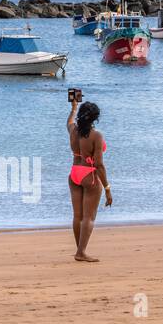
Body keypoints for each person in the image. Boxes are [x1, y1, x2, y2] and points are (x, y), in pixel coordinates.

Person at [67, 93, 112, 262]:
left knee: (77, 216)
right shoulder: (96, 136)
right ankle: (81, 252)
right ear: (96, 118)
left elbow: (69, 122)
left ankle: (80, 250)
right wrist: (107, 189)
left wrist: (73, 108)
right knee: (89, 217)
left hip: (74, 174)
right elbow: (99, 165)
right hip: (89, 175)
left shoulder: (73, 131)